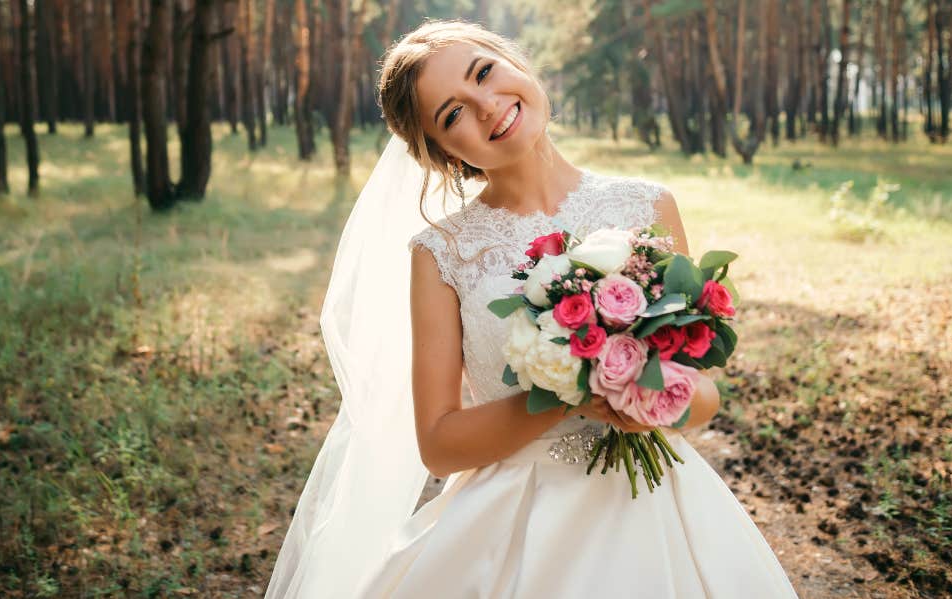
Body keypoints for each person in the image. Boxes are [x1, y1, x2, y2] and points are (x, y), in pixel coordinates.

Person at [265, 19, 798, 598]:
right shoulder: (443, 253)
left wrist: (648, 399)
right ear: (442, 153)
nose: (488, 106)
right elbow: (439, 445)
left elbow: (702, 397)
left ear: (515, 63)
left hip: (652, 507)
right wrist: (575, 388)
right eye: (452, 115)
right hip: (514, 517)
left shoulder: (647, 205)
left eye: (485, 74)